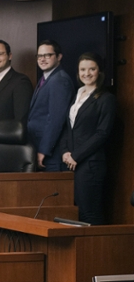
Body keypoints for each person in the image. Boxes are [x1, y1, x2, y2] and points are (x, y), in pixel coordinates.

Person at [60, 52, 116, 225]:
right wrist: (65, 151)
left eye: (92, 69)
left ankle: (96, 252)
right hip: (71, 163)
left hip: (91, 165)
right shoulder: (77, 94)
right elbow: (69, 128)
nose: (87, 73)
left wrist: (76, 155)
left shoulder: (106, 99)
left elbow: (102, 133)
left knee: (89, 214)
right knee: (73, 213)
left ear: (99, 71)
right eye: (83, 69)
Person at [0, 39, 33, 167]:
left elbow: (21, 120)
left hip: (7, 152)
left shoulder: (20, 82)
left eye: (0, 54)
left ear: (9, 56)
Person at [28, 40, 74, 171]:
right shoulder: (46, 78)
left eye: (47, 55)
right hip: (39, 146)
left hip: (51, 153)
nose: (42, 59)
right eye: (39, 56)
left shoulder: (59, 80)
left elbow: (55, 119)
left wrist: (44, 150)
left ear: (59, 57)